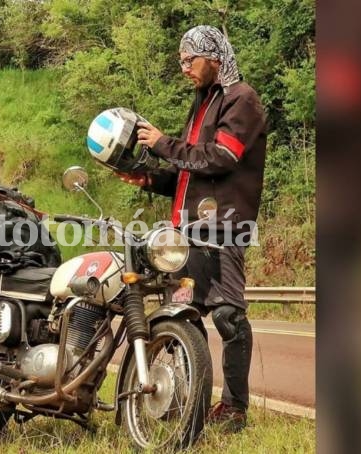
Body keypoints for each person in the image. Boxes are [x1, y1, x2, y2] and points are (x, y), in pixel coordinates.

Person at [118, 25, 267, 433]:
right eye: (180, 61)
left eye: (190, 60)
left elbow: (220, 158)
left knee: (228, 316)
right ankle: (185, 397)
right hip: (185, 235)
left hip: (223, 231)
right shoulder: (201, 104)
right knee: (184, 313)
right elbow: (191, 172)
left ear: (214, 57)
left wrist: (163, 143)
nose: (184, 68)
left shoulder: (242, 100)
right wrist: (150, 179)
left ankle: (235, 408)